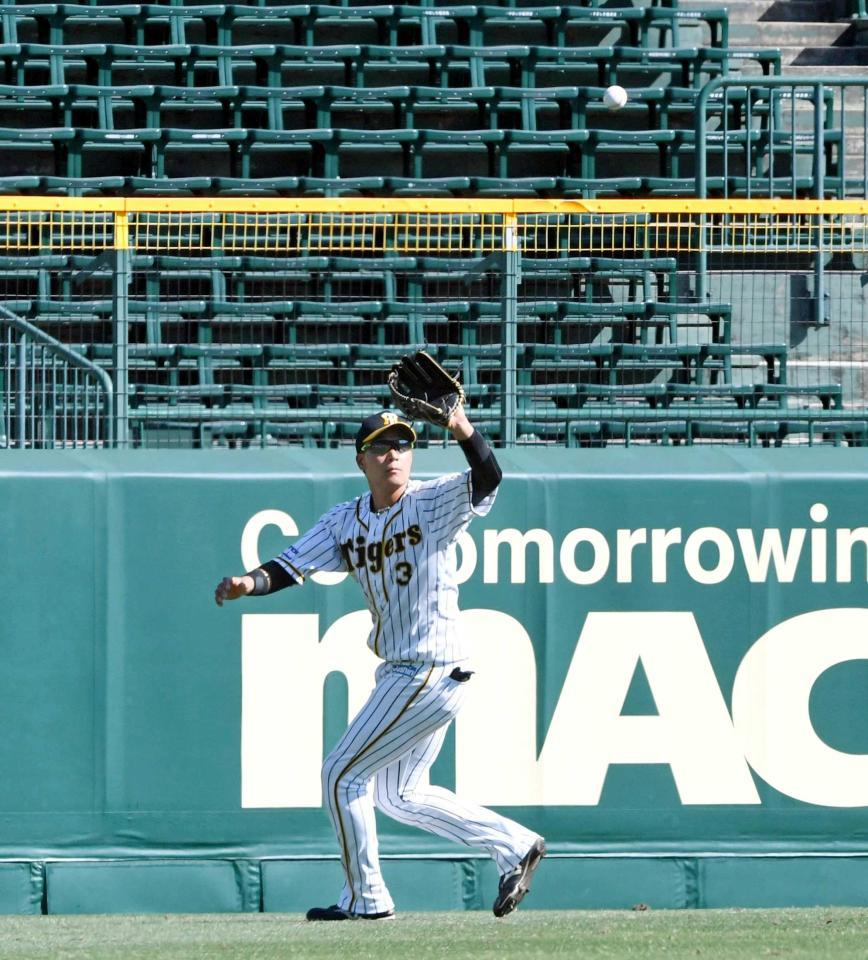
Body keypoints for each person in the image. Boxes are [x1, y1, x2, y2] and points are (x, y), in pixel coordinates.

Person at [215, 406, 545, 920]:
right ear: (361, 459)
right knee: (401, 794)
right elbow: (290, 564)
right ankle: (514, 845)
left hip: (430, 665)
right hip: (408, 670)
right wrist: (248, 584)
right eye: (381, 446)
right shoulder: (345, 520)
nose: (393, 454)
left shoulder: (432, 501)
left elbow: (489, 476)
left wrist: (460, 426)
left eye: (402, 445)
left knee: (340, 774)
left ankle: (367, 899)